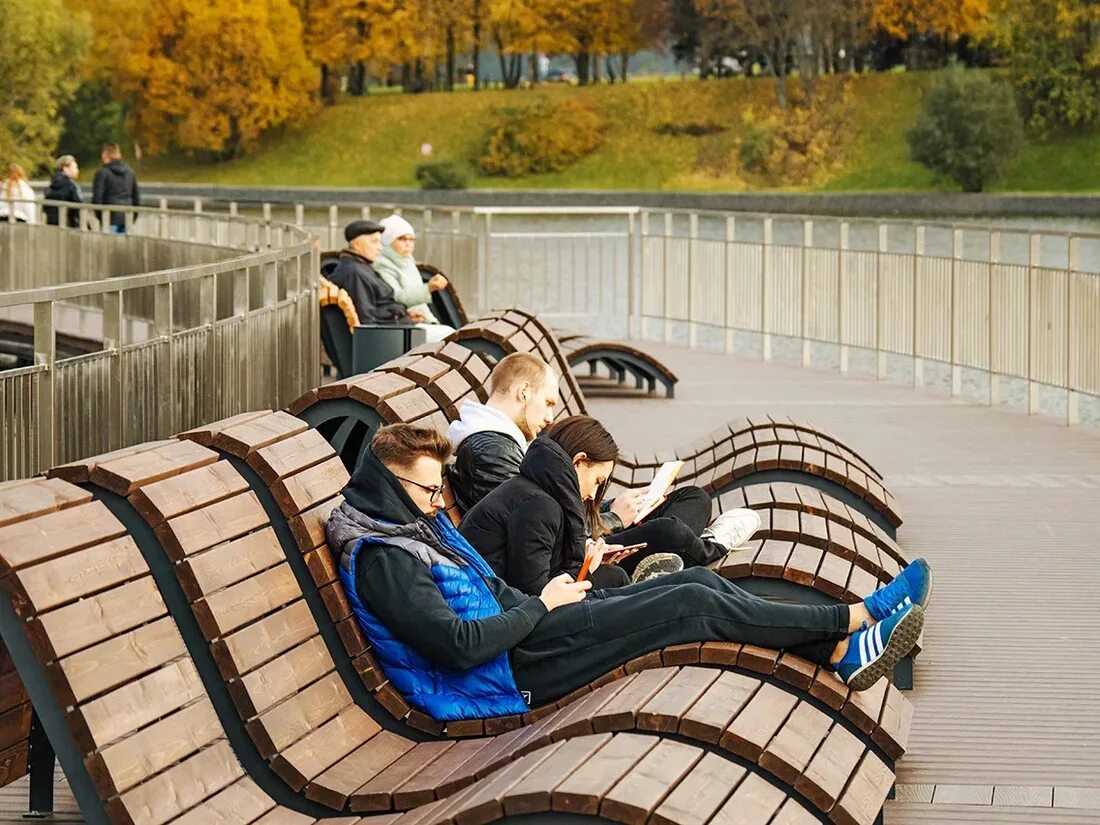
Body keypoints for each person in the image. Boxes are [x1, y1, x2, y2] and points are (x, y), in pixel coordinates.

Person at [327, 423, 930, 721]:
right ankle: (854, 616)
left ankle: (835, 649)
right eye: (429, 490)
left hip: (527, 638)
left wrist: (553, 597)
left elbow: (493, 588)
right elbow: (457, 648)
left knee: (694, 582)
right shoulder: (384, 558)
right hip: (510, 674)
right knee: (684, 607)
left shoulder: (414, 527)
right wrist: (542, 606)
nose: (439, 501)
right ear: (390, 485)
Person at [446, 352, 761, 579]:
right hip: (572, 554)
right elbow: (539, 526)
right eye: (549, 402)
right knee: (669, 530)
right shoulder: (490, 449)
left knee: (691, 497)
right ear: (524, 391)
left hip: (577, 540)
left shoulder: (502, 441)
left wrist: (610, 513)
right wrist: (612, 520)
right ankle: (708, 546)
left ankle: (660, 565)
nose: (550, 417)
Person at [459, 416, 634, 592]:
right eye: (597, 481)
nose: (592, 495)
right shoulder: (538, 505)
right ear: (579, 461)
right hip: (492, 604)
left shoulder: (536, 491)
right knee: (616, 577)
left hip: (496, 594)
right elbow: (535, 592)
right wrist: (585, 569)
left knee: (615, 575)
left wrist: (587, 557)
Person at [328, 219, 452, 343]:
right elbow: (367, 322)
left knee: (450, 334)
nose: (380, 248)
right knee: (450, 336)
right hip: (390, 339)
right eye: (374, 242)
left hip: (398, 329)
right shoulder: (355, 273)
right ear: (356, 245)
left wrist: (406, 317)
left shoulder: (361, 268)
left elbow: (379, 308)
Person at [373, 214, 453, 330]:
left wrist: (431, 320)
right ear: (387, 240)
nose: (408, 243)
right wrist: (428, 288)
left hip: (421, 320)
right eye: (402, 239)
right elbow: (396, 295)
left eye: (411, 239)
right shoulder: (382, 264)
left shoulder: (408, 261)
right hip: (402, 324)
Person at [92, 143, 140, 233]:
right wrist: (133, 216)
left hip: (109, 217)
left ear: (105, 154)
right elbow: (136, 197)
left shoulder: (102, 173)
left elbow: (97, 198)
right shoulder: (130, 172)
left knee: (108, 245)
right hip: (127, 216)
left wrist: (101, 217)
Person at [43, 155, 83, 228]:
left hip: (52, 225)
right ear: (65, 169)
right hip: (70, 226)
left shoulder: (52, 185)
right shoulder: (72, 186)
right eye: (75, 168)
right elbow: (79, 207)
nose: (77, 170)